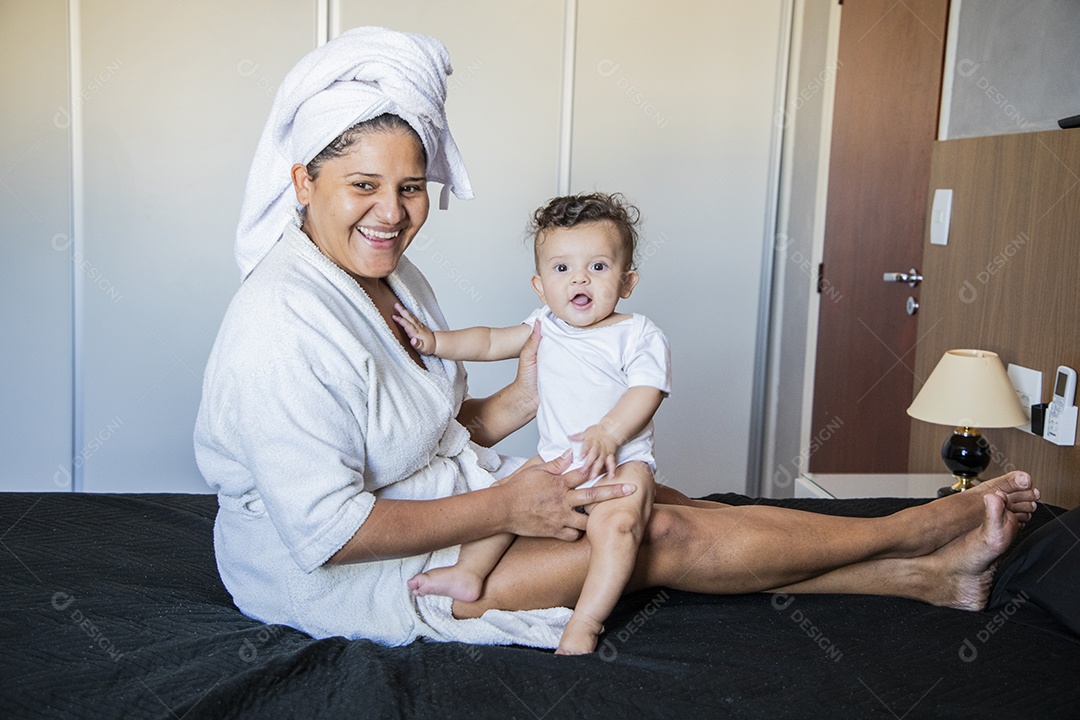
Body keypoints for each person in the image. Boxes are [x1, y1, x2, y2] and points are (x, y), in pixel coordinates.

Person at [195, 27, 1040, 652]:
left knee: (665, 505)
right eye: (363, 185)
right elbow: (328, 532)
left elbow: (425, 433)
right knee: (654, 538)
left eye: (411, 186)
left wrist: (519, 403)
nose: (392, 212)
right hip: (344, 575)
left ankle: (926, 577)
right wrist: (502, 503)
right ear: (303, 181)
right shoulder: (279, 323)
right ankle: (919, 529)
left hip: (434, 507)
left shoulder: (386, 277)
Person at [394, 192, 668, 654]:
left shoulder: (637, 333)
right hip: (557, 458)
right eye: (562, 269)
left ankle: (586, 622)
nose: (579, 278)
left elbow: (648, 390)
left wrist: (609, 432)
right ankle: (469, 572)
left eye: (598, 267)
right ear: (541, 286)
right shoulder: (545, 325)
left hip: (623, 464)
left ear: (627, 281)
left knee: (619, 529)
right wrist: (433, 341)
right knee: (504, 501)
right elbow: (486, 341)